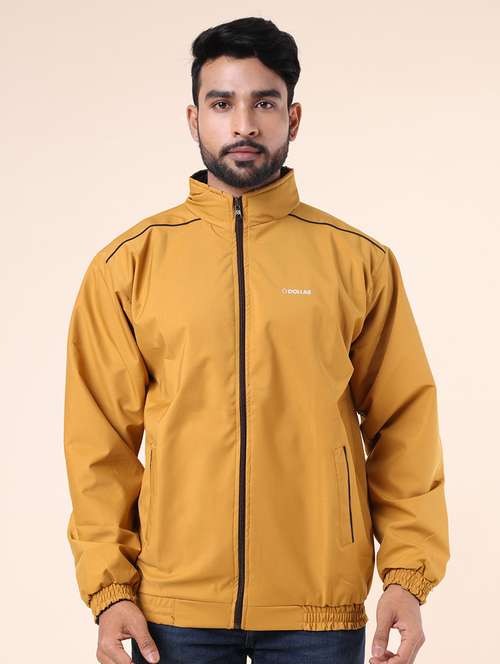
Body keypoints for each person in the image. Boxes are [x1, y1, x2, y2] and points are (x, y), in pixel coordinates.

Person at [63, 16, 450, 664]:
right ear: (194, 120)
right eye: (222, 104)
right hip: (173, 608)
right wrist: (109, 591)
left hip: (317, 605)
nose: (243, 124)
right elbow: (98, 443)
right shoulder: (129, 265)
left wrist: (406, 578)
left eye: (264, 103)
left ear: (292, 118)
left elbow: (403, 425)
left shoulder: (358, 262)